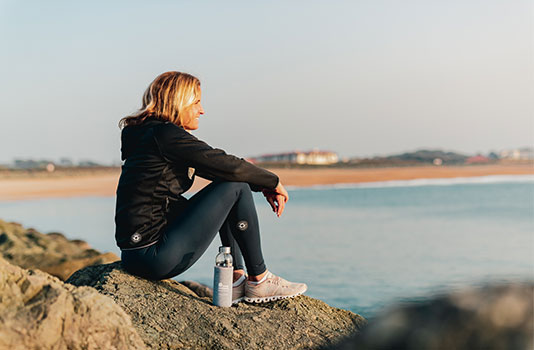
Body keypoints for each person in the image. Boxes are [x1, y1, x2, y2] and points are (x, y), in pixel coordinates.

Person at [115, 71, 307, 304]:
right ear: (178, 102)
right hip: (155, 255)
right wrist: (273, 182)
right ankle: (259, 279)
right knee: (234, 186)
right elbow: (230, 168)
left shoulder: (148, 136)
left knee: (231, 186)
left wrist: (260, 185)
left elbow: (219, 169)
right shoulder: (165, 135)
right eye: (196, 103)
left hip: (134, 255)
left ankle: (236, 281)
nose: (201, 110)